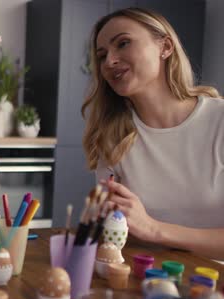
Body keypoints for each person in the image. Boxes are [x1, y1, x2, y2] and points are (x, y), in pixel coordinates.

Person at [81, 7, 224, 259]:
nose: (110, 61)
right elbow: (118, 234)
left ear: (165, 47)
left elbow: (148, 229)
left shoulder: (219, 121)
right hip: (144, 279)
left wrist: (155, 229)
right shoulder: (112, 136)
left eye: (123, 43)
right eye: (102, 56)